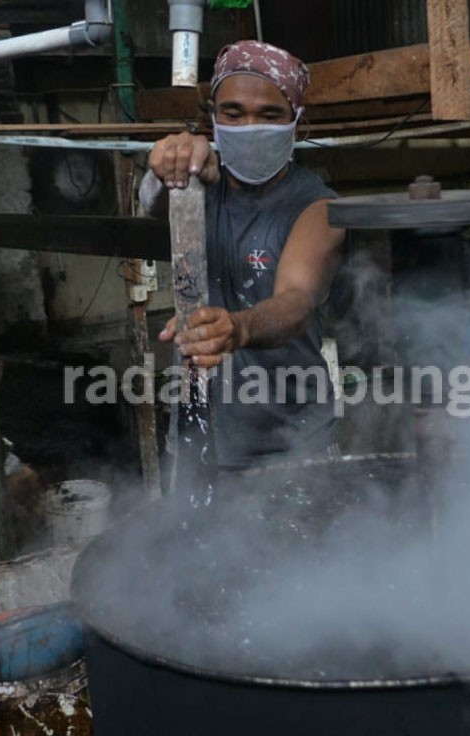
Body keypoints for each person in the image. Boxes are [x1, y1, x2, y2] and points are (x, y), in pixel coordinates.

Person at [141, 40, 346, 471]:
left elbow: (296, 301)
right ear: (212, 118)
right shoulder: (201, 186)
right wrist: (171, 166)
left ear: (295, 122)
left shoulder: (318, 205)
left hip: (290, 439)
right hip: (200, 430)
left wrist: (238, 327)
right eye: (233, 113)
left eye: (269, 115)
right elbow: (154, 201)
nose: (250, 126)